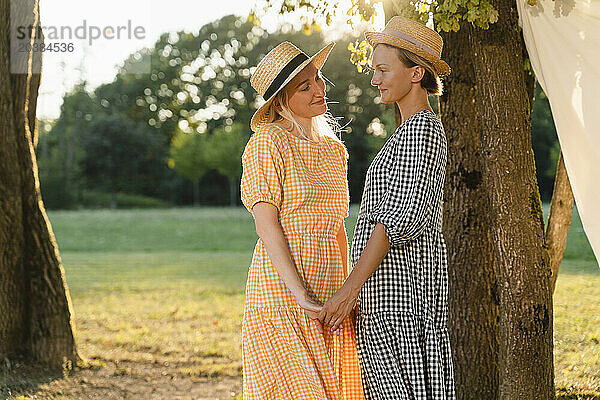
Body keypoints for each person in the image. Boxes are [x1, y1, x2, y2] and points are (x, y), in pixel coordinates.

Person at [318, 16, 456, 399]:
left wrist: (349, 289)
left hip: (401, 301)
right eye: (373, 70)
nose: (375, 79)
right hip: (386, 298)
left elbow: (397, 221)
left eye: (383, 69)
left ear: (416, 73)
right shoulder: (405, 131)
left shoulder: (422, 130)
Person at [239, 41, 364, 399]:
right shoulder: (267, 142)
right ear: (280, 101)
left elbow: (338, 225)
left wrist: (347, 291)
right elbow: (266, 225)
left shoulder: (335, 150)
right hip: (282, 294)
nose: (319, 89)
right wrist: (300, 295)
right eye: (304, 86)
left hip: (329, 294)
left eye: (318, 79)